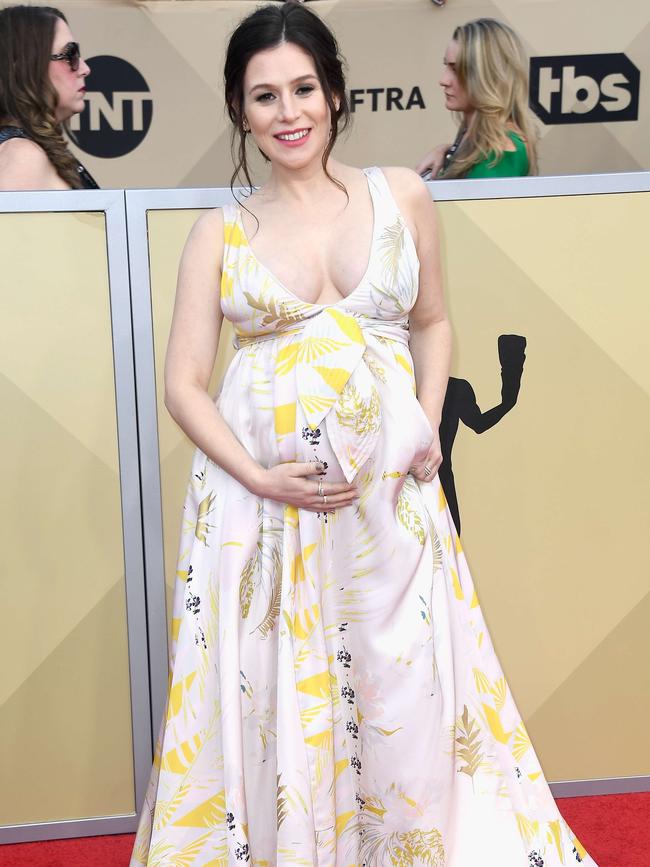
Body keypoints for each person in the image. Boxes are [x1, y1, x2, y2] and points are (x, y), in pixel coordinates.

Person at [131, 3, 595, 865]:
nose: (289, 111)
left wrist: (424, 420)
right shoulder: (219, 232)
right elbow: (182, 385)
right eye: (263, 96)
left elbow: (435, 320)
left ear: (335, 93)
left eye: (303, 87)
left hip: (391, 497)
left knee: (407, 681)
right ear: (240, 111)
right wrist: (260, 476)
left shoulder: (402, 194)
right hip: (266, 515)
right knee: (281, 689)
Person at [416, 18, 538, 180]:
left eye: (456, 69)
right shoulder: (477, 139)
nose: (443, 80)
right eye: (446, 66)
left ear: (487, 75)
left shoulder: (500, 150)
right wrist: (447, 152)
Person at [0, 4, 98, 190]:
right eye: (70, 55)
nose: (85, 69)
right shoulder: (22, 156)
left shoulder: (24, 152)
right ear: (24, 67)